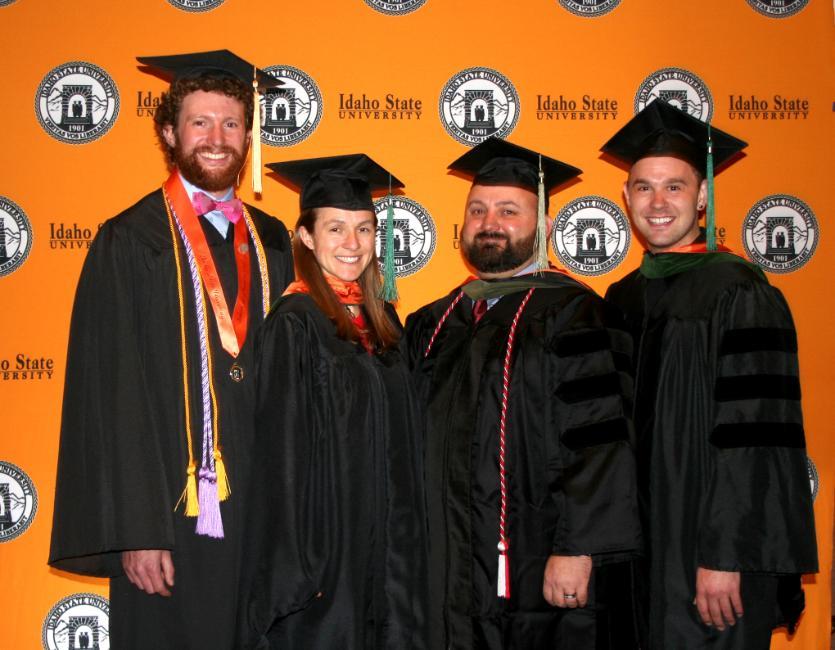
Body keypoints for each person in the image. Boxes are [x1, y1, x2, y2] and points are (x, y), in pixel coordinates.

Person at [48, 50, 294, 650]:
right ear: (168, 132)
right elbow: (112, 397)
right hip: (173, 514)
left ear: (248, 135)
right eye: (199, 123)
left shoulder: (271, 238)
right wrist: (136, 529)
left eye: (231, 124)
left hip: (265, 511)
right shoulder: (132, 239)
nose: (217, 138)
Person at [402, 137, 641, 649]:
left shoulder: (575, 314)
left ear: (545, 227)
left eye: (510, 210)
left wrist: (578, 550)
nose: (490, 222)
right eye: (478, 210)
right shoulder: (433, 322)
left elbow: (599, 442)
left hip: (537, 557)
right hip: (446, 564)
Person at [602, 100, 818, 649]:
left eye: (674, 187)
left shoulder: (740, 292)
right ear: (625, 198)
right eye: (644, 187)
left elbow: (757, 437)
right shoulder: (622, 297)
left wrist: (727, 556)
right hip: (636, 554)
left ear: (702, 196)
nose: (657, 202)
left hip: (707, 553)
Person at [236, 154, 428, 649]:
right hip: (328, 561)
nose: (352, 244)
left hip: (389, 558)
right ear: (306, 237)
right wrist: (301, 565)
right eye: (336, 228)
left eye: (364, 230)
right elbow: (280, 459)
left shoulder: (384, 325)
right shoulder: (295, 324)